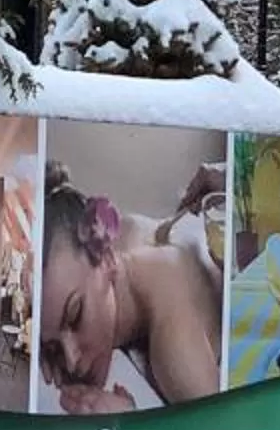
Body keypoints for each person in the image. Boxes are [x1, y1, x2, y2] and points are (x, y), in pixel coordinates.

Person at [34, 165, 227, 415]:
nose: (70, 360)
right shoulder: (124, 231)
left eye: (75, 315)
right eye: (54, 348)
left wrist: (131, 427)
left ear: (107, 259)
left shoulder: (175, 344)